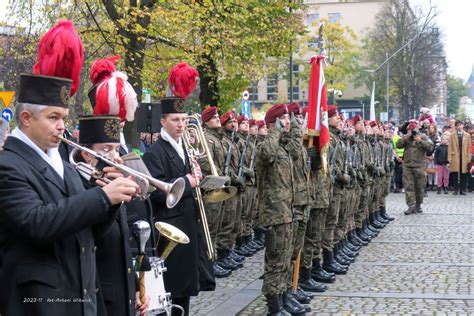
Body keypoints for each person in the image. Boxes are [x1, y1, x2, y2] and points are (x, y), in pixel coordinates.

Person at [0, 20, 140, 316]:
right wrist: (102, 198)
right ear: (26, 118)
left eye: (63, 116)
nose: (62, 126)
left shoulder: (62, 162)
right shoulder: (8, 165)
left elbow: (88, 234)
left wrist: (113, 201)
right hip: (38, 305)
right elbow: (38, 223)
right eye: (53, 117)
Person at [142, 94, 215, 315]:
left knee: (185, 291)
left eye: (184, 119)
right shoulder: (155, 152)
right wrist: (187, 181)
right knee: (171, 291)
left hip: (188, 225)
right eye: (175, 119)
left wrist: (196, 176)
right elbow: (155, 193)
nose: (181, 124)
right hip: (170, 228)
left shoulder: (184, 147)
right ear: (163, 121)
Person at [75, 115, 149, 316]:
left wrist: (136, 287)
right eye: (106, 149)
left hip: (122, 294)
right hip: (99, 298)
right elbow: (91, 240)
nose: (116, 157)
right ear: (86, 154)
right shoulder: (79, 189)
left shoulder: (111, 183)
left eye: (116, 149)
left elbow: (123, 246)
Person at [256, 103, 301, 315]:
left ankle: (284, 298)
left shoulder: (283, 147)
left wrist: (296, 126)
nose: (288, 121)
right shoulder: (266, 145)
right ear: (275, 122)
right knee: (275, 262)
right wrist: (274, 129)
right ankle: (273, 306)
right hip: (274, 215)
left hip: (287, 212)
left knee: (285, 260)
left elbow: (296, 150)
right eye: (284, 118)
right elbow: (267, 155)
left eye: (289, 118)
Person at [199, 106, 233, 278]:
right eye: (214, 117)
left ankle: (216, 258)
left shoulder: (217, 139)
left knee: (219, 224)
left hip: (220, 185)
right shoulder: (206, 139)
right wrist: (222, 176)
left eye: (218, 116)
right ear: (206, 121)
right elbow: (206, 163)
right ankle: (209, 264)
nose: (218, 119)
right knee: (210, 228)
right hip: (211, 187)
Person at [396, 120, 433, 215]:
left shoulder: (423, 136)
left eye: (414, 129)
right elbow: (398, 145)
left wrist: (420, 141)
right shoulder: (406, 138)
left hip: (420, 166)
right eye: (410, 130)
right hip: (407, 166)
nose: (412, 131)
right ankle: (411, 206)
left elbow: (430, 148)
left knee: (419, 187)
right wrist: (406, 137)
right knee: (409, 187)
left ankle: (418, 204)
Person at [448, 120, 472, 195]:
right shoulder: (452, 135)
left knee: (463, 174)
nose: (459, 127)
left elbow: (469, 147)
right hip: (455, 156)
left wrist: (469, 157)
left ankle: (462, 190)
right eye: (458, 125)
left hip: (464, 156)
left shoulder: (467, 135)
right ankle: (455, 190)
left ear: (463, 126)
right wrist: (449, 158)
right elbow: (450, 147)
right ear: (456, 127)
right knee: (455, 173)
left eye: (461, 125)